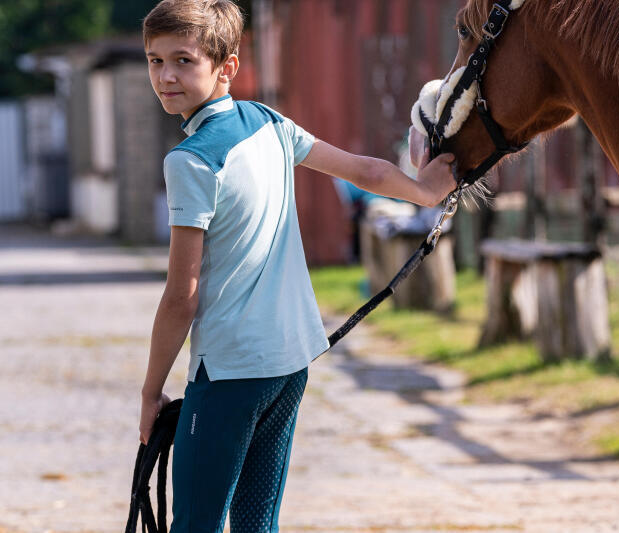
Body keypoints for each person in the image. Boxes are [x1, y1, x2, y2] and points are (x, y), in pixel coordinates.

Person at [137, 1, 456, 532]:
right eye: (154, 61)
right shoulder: (268, 122)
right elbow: (367, 171)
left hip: (231, 371)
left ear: (227, 67)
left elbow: (181, 294)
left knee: (195, 522)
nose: (166, 76)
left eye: (183, 61)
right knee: (258, 523)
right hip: (289, 364)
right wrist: (424, 191)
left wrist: (151, 391)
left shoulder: (190, 161)